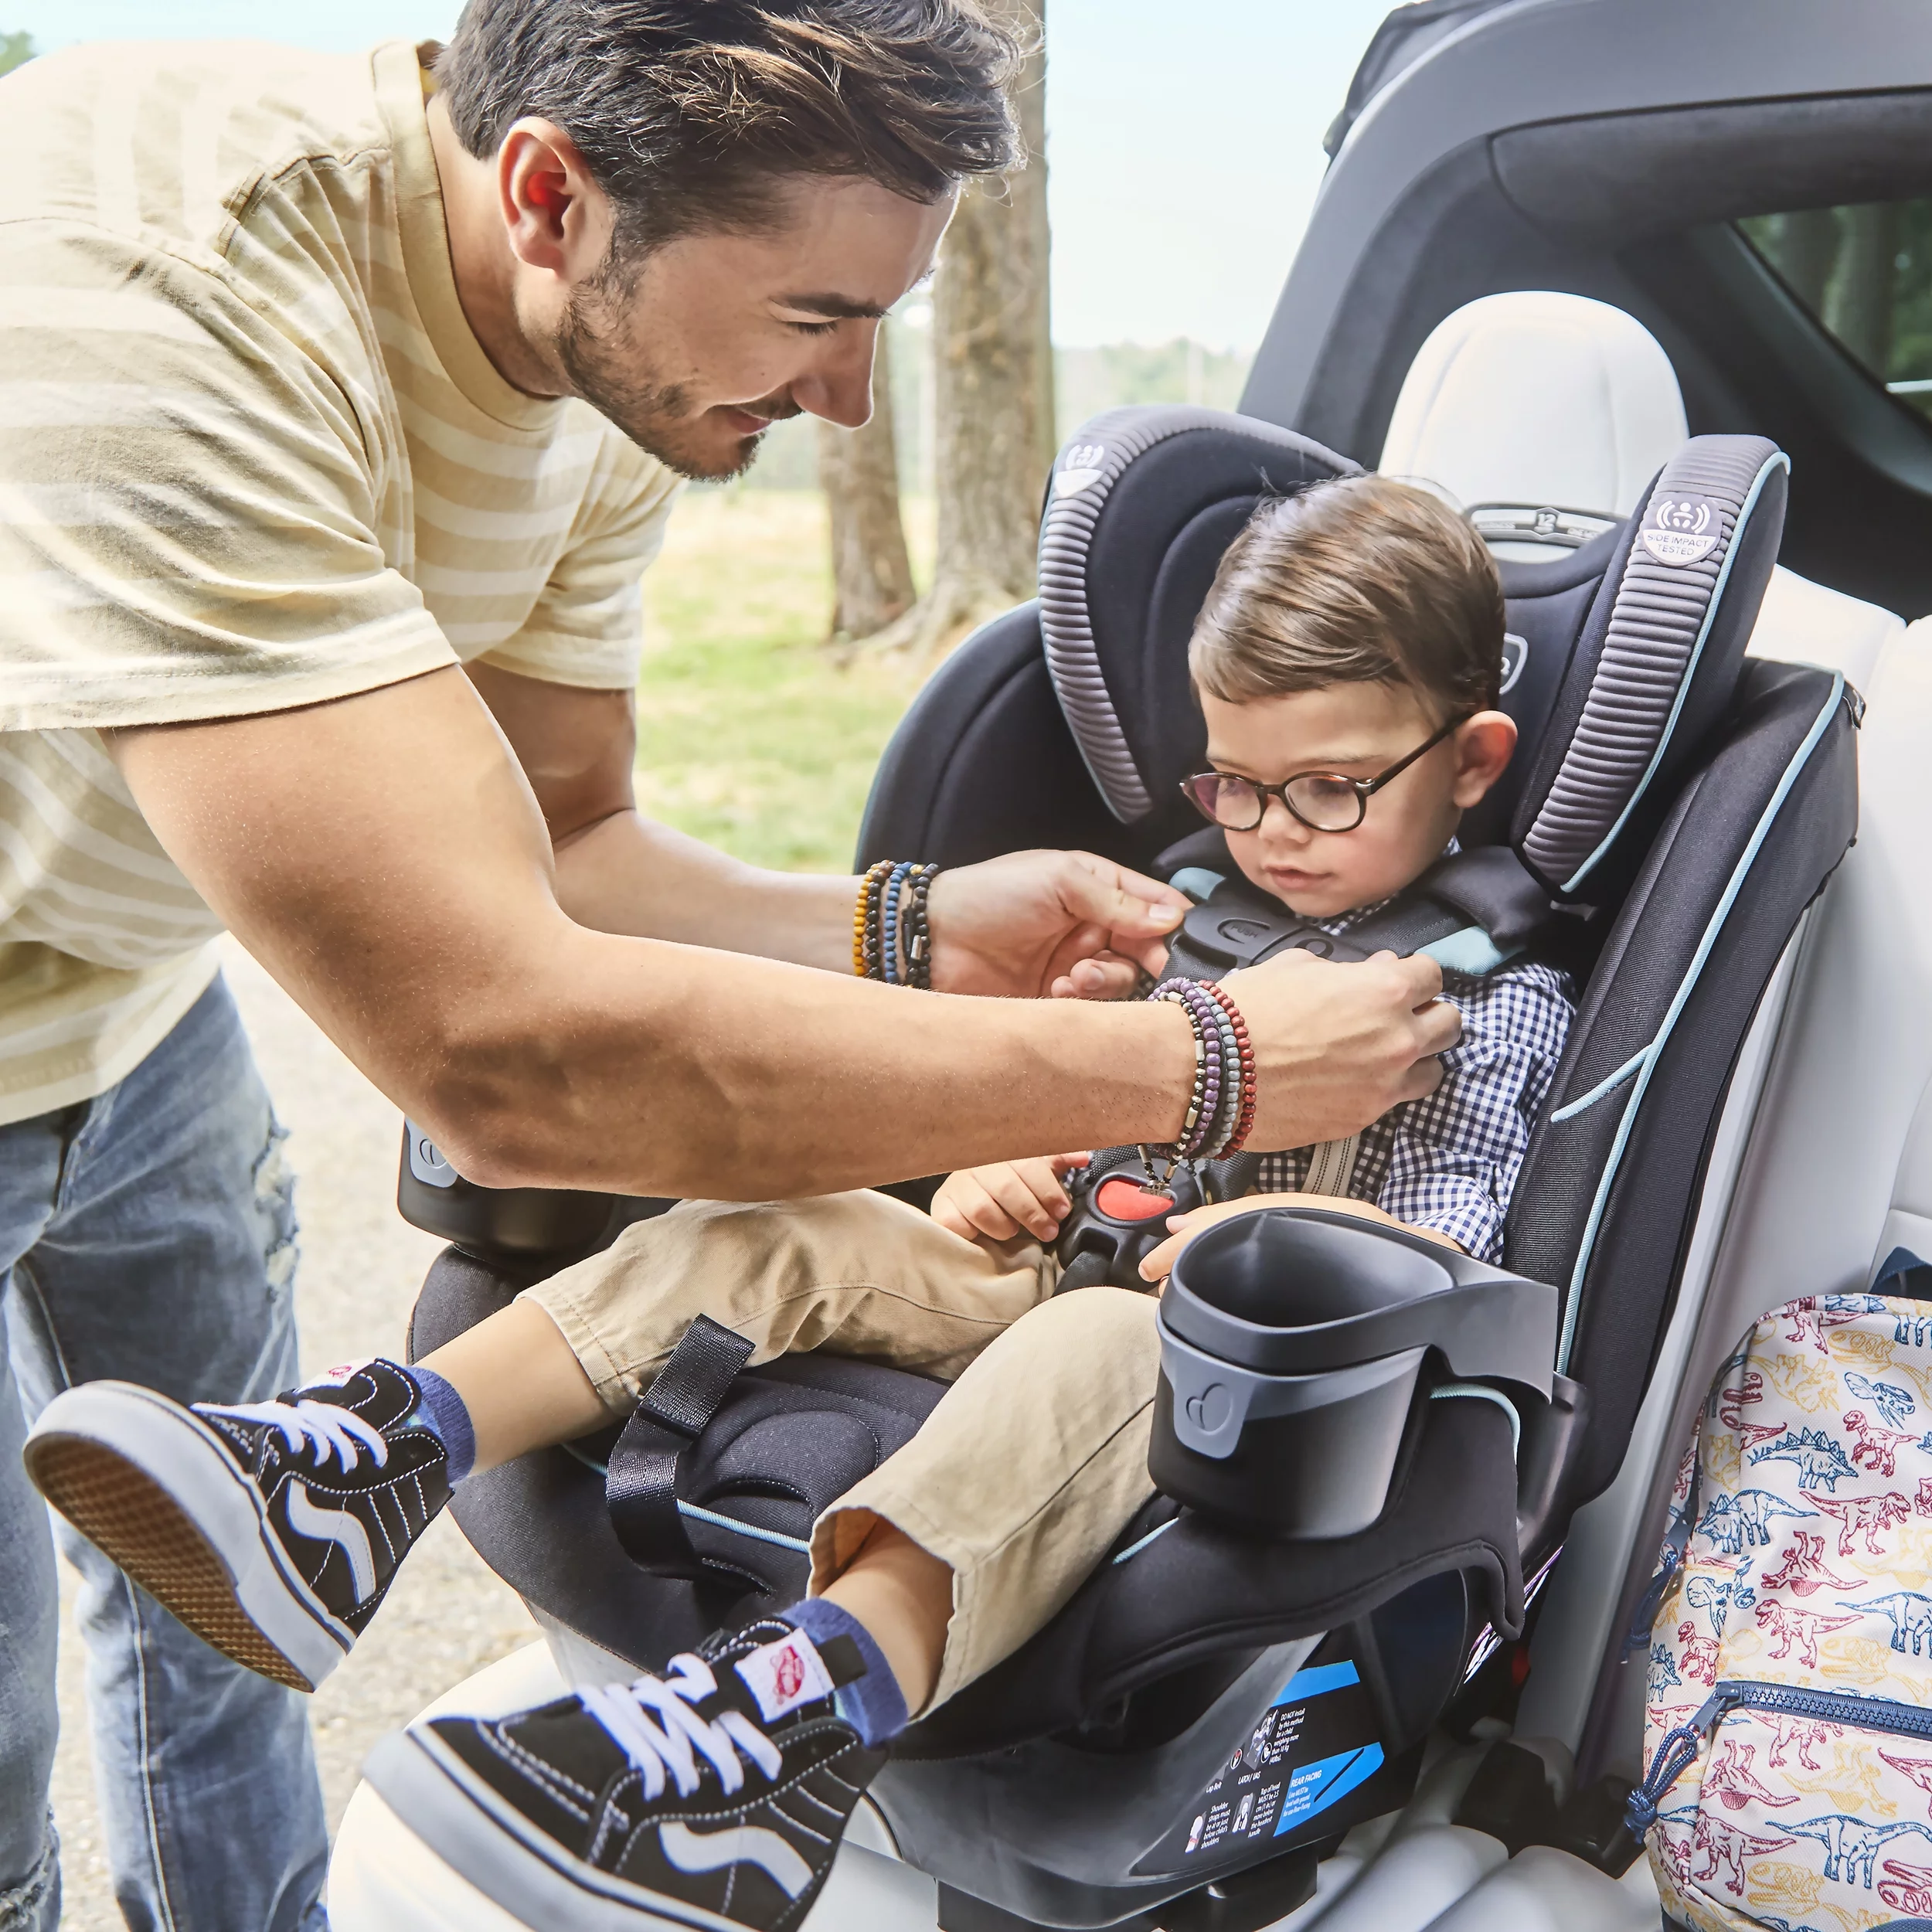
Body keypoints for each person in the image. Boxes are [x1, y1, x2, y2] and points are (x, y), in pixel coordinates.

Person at [0, 6, 1455, 1925]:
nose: (851, 401)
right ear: (548, 193)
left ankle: (334, 1523)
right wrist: (1198, 1069)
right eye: (815, 319)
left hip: (130, 992)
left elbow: (568, 836)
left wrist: (914, 929)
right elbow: (501, 1049)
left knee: (214, 1634)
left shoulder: (616, 349)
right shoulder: (157, 297)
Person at [29, 476, 1571, 1929]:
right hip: (1046, 1278)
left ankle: (794, 1723)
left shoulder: (1473, 1001)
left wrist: (1218, 1250)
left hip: (1243, 1397)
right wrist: (1013, 1163)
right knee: (789, 1227)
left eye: (1326, 787)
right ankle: (371, 1459)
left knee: (1087, 1344)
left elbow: (1441, 1257)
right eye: (1231, 780)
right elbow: (1085, 1102)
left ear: (1472, 761)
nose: (1271, 827)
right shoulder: (1197, 912)